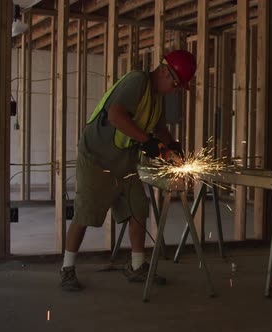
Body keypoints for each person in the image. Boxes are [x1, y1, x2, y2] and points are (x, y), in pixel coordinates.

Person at [60, 50, 196, 291]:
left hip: (124, 160)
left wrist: (172, 146)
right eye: (175, 84)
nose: (175, 90)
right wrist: (148, 142)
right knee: (85, 212)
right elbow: (115, 115)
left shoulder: (157, 97)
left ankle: (136, 267)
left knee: (137, 208)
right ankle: (67, 269)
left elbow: (159, 126)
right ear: (164, 71)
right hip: (97, 157)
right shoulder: (137, 82)